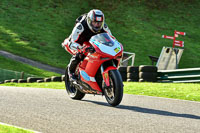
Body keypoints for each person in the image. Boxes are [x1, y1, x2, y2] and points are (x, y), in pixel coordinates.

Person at [62, 9, 115, 82]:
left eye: (99, 23)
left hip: (93, 41)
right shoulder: (80, 25)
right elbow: (72, 41)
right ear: (89, 21)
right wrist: (80, 48)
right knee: (79, 54)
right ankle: (71, 73)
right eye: (95, 22)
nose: (97, 25)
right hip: (79, 41)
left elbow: (111, 38)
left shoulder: (104, 26)